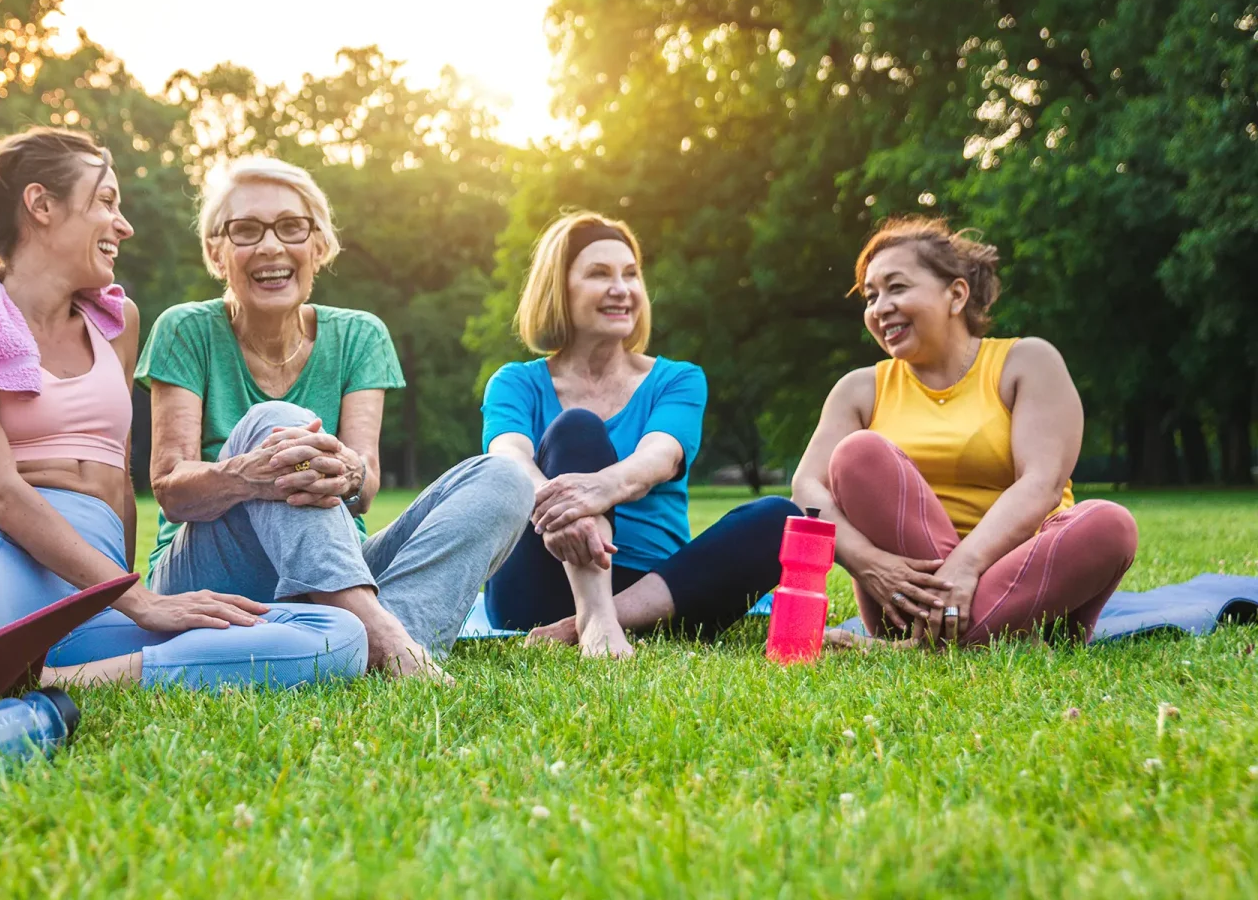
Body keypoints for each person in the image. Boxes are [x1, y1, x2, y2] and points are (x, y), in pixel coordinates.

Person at [0, 131, 366, 688]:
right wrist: (140, 600)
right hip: (1, 548)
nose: (123, 225)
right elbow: (0, 495)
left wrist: (123, 590)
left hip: (94, 588)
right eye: (106, 202)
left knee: (336, 637)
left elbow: (119, 480)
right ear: (41, 205)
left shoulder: (115, 324)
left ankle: (64, 677)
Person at [138, 157, 534, 681]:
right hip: (208, 579)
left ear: (319, 245)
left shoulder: (360, 336)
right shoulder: (185, 329)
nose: (272, 247)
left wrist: (346, 472)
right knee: (277, 421)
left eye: (291, 227)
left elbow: (363, 488)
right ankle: (385, 637)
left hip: (336, 567)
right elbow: (170, 487)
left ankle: (355, 647)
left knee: (504, 478)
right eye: (246, 230)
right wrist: (245, 475)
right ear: (217, 251)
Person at [791, 217, 1137, 646]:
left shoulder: (1027, 362)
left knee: (1110, 523)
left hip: (1025, 588)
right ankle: (972, 639)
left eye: (897, 288)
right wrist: (869, 562)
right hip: (908, 597)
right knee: (857, 454)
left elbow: (1042, 484)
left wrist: (967, 566)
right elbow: (806, 486)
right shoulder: (860, 389)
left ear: (956, 294)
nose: (879, 308)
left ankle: (924, 648)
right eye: (870, 296)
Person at [482, 212, 798, 658]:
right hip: (539, 585)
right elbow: (508, 455)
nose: (622, 288)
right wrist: (559, 503)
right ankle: (592, 615)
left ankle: (598, 618)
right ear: (559, 288)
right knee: (578, 428)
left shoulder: (678, 380)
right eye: (599, 274)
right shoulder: (515, 382)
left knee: (782, 518)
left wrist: (598, 488)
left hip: (658, 590)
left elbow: (661, 457)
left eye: (631, 274)